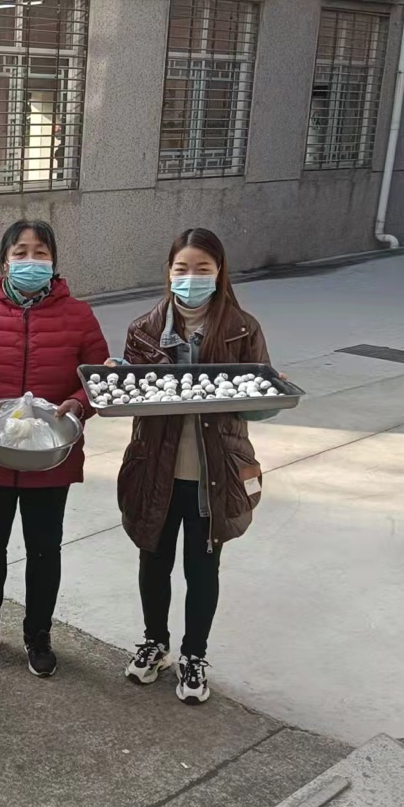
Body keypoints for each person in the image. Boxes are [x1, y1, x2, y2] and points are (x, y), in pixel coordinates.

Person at [0, 220, 109, 678]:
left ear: (53, 262)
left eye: (40, 253)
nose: (30, 261)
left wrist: (78, 403)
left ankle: (39, 634)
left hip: (51, 456)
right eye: (20, 252)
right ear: (4, 261)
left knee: (44, 549)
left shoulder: (78, 316)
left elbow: (98, 377)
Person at [115, 227, 273, 705]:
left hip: (213, 472)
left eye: (203, 268)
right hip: (156, 469)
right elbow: (132, 397)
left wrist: (268, 391)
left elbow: (257, 405)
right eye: (182, 268)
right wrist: (121, 380)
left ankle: (194, 654)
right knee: (153, 559)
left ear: (219, 272)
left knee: (203, 567)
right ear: (169, 272)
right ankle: (155, 642)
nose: (191, 277)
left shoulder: (243, 329)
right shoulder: (143, 330)